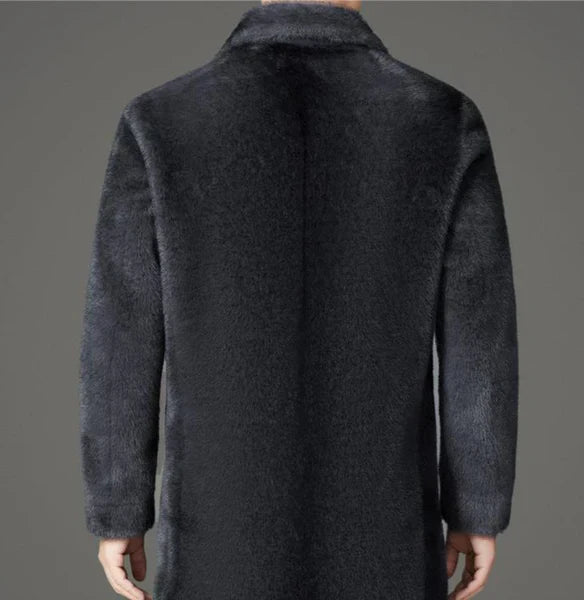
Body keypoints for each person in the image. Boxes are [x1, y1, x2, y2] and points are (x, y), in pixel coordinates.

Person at [78, 1, 519, 599]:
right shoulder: (441, 118)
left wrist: (118, 508)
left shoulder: (161, 121)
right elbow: (479, 337)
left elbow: (118, 337)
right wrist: (476, 507)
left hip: (221, 538)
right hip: (383, 532)